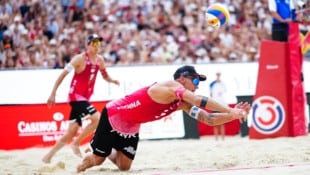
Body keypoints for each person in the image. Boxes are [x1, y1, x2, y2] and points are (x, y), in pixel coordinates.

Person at [76, 65, 251, 173]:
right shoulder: (170, 87)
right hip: (114, 114)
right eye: (196, 81)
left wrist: (232, 115)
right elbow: (199, 100)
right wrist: (230, 109)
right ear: (182, 79)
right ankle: (79, 167)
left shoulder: (181, 102)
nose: (197, 86)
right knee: (97, 160)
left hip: (132, 124)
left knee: (124, 167)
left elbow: (208, 119)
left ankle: (107, 149)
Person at [42, 34, 120, 163]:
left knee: (71, 132)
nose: (97, 47)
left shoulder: (100, 60)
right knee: (97, 119)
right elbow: (62, 75)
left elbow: (104, 75)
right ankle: (76, 143)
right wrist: (53, 93)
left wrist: (112, 81)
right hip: (76, 97)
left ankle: (48, 157)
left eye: (98, 44)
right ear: (88, 45)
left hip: (84, 98)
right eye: (94, 44)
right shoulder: (79, 59)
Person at [209, 72, 227, 141]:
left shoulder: (222, 84)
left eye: (219, 75)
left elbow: (225, 91)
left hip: (221, 105)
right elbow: (210, 94)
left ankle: (223, 138)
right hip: (215, 105)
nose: (218, 76)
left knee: (222, 122)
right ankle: (216, 139)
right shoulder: (212, 84)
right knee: (215, 123)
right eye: (217, 75)